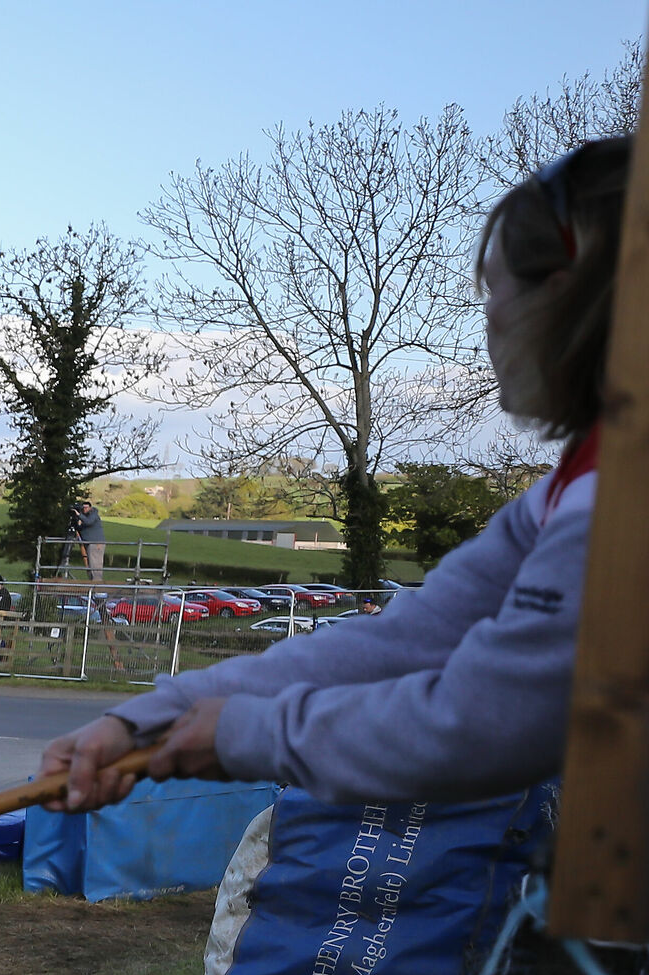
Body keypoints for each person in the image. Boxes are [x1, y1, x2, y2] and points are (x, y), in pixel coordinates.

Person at [43, 136, 627, 812]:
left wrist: (246, 734)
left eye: (493, 291)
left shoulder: (614, 501)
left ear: (561, 299)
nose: (486, 320)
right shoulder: (577, 482)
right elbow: (407, 639)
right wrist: (144, 718)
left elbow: (481, 722)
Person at [71, 498, 107, 578]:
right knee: (91, 565)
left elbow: (88, 522)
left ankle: (97, 585)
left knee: (95, 566)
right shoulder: (84, 517)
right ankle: (93, 583)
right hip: (90, 543)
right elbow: (80, 528)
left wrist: (79, 515)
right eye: (83, 508)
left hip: (96, 544)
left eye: (86, 507)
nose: (84, 509)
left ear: (90, 508)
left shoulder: (93, 515)